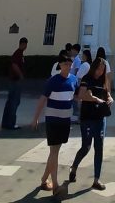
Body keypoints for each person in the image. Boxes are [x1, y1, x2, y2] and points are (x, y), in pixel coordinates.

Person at [31, 52, 77, 198]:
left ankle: (44, 179)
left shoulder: (74, 80)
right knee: (54, 151)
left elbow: (76, 97)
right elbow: (42, 99)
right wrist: (36, 118)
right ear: (60, 65)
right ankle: (55, 184)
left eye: (70, 65)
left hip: (65, 120)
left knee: (54, 151)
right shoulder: (52, 81)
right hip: (53, 120)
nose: (68, 67)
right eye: (65, 64)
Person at [70, 56, 114, 191]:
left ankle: (96, 179)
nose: (100, 72)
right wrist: (96, 99)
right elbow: (81, 95)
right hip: (88, 118)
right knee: (86, 147)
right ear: (94, 67)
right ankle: (74, 167)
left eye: (102, 69)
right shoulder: (86, 79)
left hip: (100, 118)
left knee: (99, 148)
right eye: (98, 69)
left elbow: (107, 94)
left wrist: (109, 99)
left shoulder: (103, 81)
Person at [2, 37, 28, 130]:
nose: (25, 46)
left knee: (10, 101)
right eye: (25, 44)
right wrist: (20, 75)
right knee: (14, 101)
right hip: (15, 80)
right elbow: (14, 65)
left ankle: (5, 123)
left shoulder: (19, 53)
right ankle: (11, 123)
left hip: (14, 80)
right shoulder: (18, 53)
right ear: (23, 44)